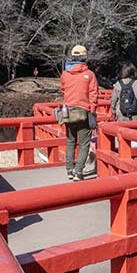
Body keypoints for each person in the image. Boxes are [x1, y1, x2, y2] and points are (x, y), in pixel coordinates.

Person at [59, 44, 99, 181]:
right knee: (84, 143)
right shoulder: (89, 74)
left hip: (68, 111)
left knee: (70, 141)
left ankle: (69, 169)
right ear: (84, 57)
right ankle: (78, 171)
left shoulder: (65, 74)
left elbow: (63, 90)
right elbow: (94, 94)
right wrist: (92, 111)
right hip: (84, 111)